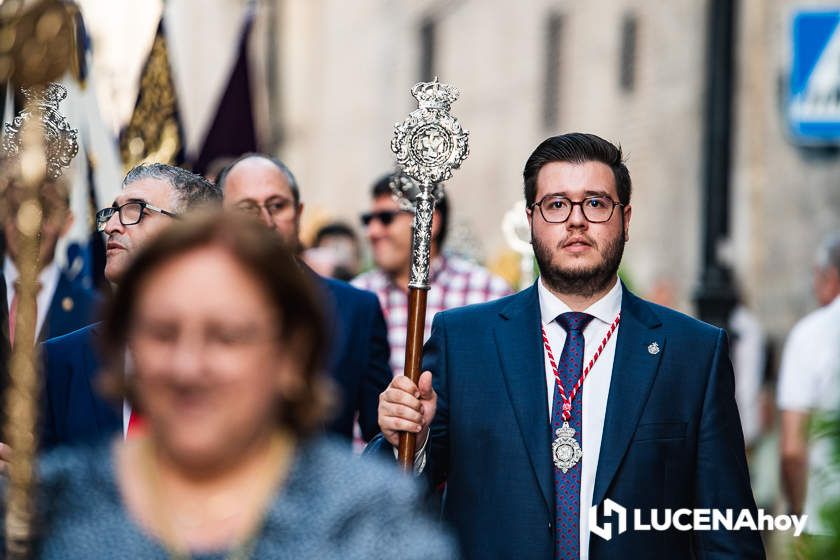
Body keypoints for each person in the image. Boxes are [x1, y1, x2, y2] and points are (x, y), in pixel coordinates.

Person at [374, 133, 764, 559]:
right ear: (531, 219)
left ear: (626, 218)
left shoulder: (692, 353)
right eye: (556, 205)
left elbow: (727, 532)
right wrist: (409, 438)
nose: (576, 220)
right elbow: (393, 494)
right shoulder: (465, 341)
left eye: (595, 203)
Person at [26, 212, 456, 559]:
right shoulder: (51, 506)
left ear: (291, 356)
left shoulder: (365, 518)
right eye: (162, 332)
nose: (188, 367)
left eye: (226, 336)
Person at [39, 163, 222, 449]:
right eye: (112, 212)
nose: (111, 226)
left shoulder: (239, 358)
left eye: (136, 210)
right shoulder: (59, 362)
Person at [217, 154, 391, 444]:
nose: (265, 220)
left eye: (276, 206)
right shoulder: (197, 304)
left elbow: (381, 437)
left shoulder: (356, 309)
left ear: (298, 213)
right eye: (247, 208)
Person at [353, 174, 512, 376]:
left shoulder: (488, 293)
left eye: (386, 218)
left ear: (429, 220)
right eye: (368, 220)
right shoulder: (358, 294)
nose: (372, 231)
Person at [778, 232, 840, 540]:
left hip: (825, 519)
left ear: (831, 277)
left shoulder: (811, 335)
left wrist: (796, 516)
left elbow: (793, 449)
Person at [2, 176, 99, 344]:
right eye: (17, 208)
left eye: (45, 211)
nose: (29, 225)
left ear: (67, 222)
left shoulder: (94, 311)